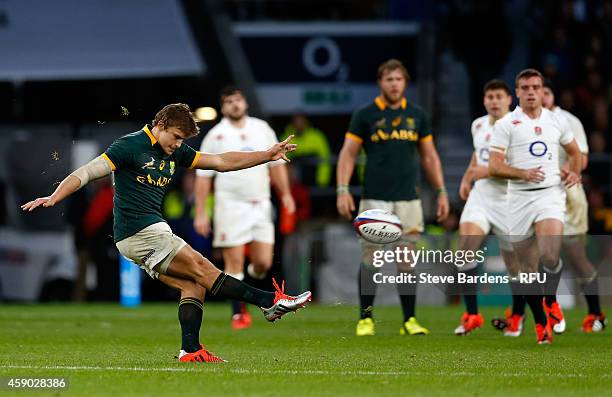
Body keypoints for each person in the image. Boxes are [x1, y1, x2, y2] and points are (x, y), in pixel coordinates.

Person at [21, 103, 311, 362]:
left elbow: (221, 162)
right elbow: (85, 172)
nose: (178, 144)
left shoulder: (174, 149)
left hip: (142, 235)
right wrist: (54, 197)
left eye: (183, 139)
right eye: (175, 136)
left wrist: (267, 155)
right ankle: (270, 301)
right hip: (140, 231)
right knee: (202, 267)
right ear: (160, 125)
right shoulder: (129, 146)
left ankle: (191, 350)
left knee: (193, 285)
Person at [336, 59, 450, 337]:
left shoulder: (417, 115)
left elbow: (429, 155)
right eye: (389, 79)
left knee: (406, 259)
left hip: (408, 198)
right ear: (380, 83)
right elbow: (348, 153)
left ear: (405, 83)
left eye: (398, 79)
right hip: (375, 198)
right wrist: (342, 189)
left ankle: (409, 320)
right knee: (372, 257)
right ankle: (366, 319)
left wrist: (442, 191)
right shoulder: (365, 115)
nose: (394, 84)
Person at [489, 68, 582, 344]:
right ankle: (542, 324)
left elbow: (576, 153)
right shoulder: (506, 124)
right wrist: (522, 174)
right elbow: (494, 166)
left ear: (542, 91)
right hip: (518, 198)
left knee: (550, 255)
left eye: (535, 87)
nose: (531, 92)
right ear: (516, 92)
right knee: (527, 270)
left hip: (550, 195)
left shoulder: (557, 121)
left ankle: (550, 299)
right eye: (525, 87)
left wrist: (573, 171)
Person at [193, 87, 295, 330]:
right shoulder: (216, 135)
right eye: (229, 101)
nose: (234, 105)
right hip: (230, 205)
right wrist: (200, 211)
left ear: (245, 103)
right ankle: (239, 314)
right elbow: (203, 176)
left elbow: (277, 164)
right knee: (234, 261)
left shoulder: (261, 128)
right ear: (223, 107)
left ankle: (252, 279)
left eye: (237, 100)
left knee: (262, 264)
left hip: (259, 202)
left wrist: (286, 194)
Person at [455, 79, 521, 336]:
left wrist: (487, 171)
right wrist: (466, 177)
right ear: (484, 101)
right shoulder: (478, 125)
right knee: (464, 250)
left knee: (515, 266)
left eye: (498, 96)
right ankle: (471, 315)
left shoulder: (518, 128)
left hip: (509, 200)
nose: (494, 101)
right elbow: (478, 154)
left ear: (509, 100)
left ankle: (516, 316)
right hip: (481, 196)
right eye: (490, 96)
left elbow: (520, 169)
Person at [540, 80, 605, 333]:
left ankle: (596, 314)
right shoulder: (523, 122)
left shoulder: (568, 121)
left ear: (553, 95)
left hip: (567, 195)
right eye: (533, 91)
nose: (539, 96)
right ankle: (535, 313)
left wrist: (558, 173)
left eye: (545, 91)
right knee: (532, 257)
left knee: (576, 256)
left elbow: (583, 158)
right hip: (537, 196)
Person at [281, 113, 332, 187]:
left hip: (314, 180)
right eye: (296, 123)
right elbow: (283, 161)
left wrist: (322, 181)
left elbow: (325, 159)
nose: (299, 125)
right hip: (294, 183)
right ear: (292, 124)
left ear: (306, 123)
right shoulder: (286, 138)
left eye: (301, 122)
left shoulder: (317, 137)